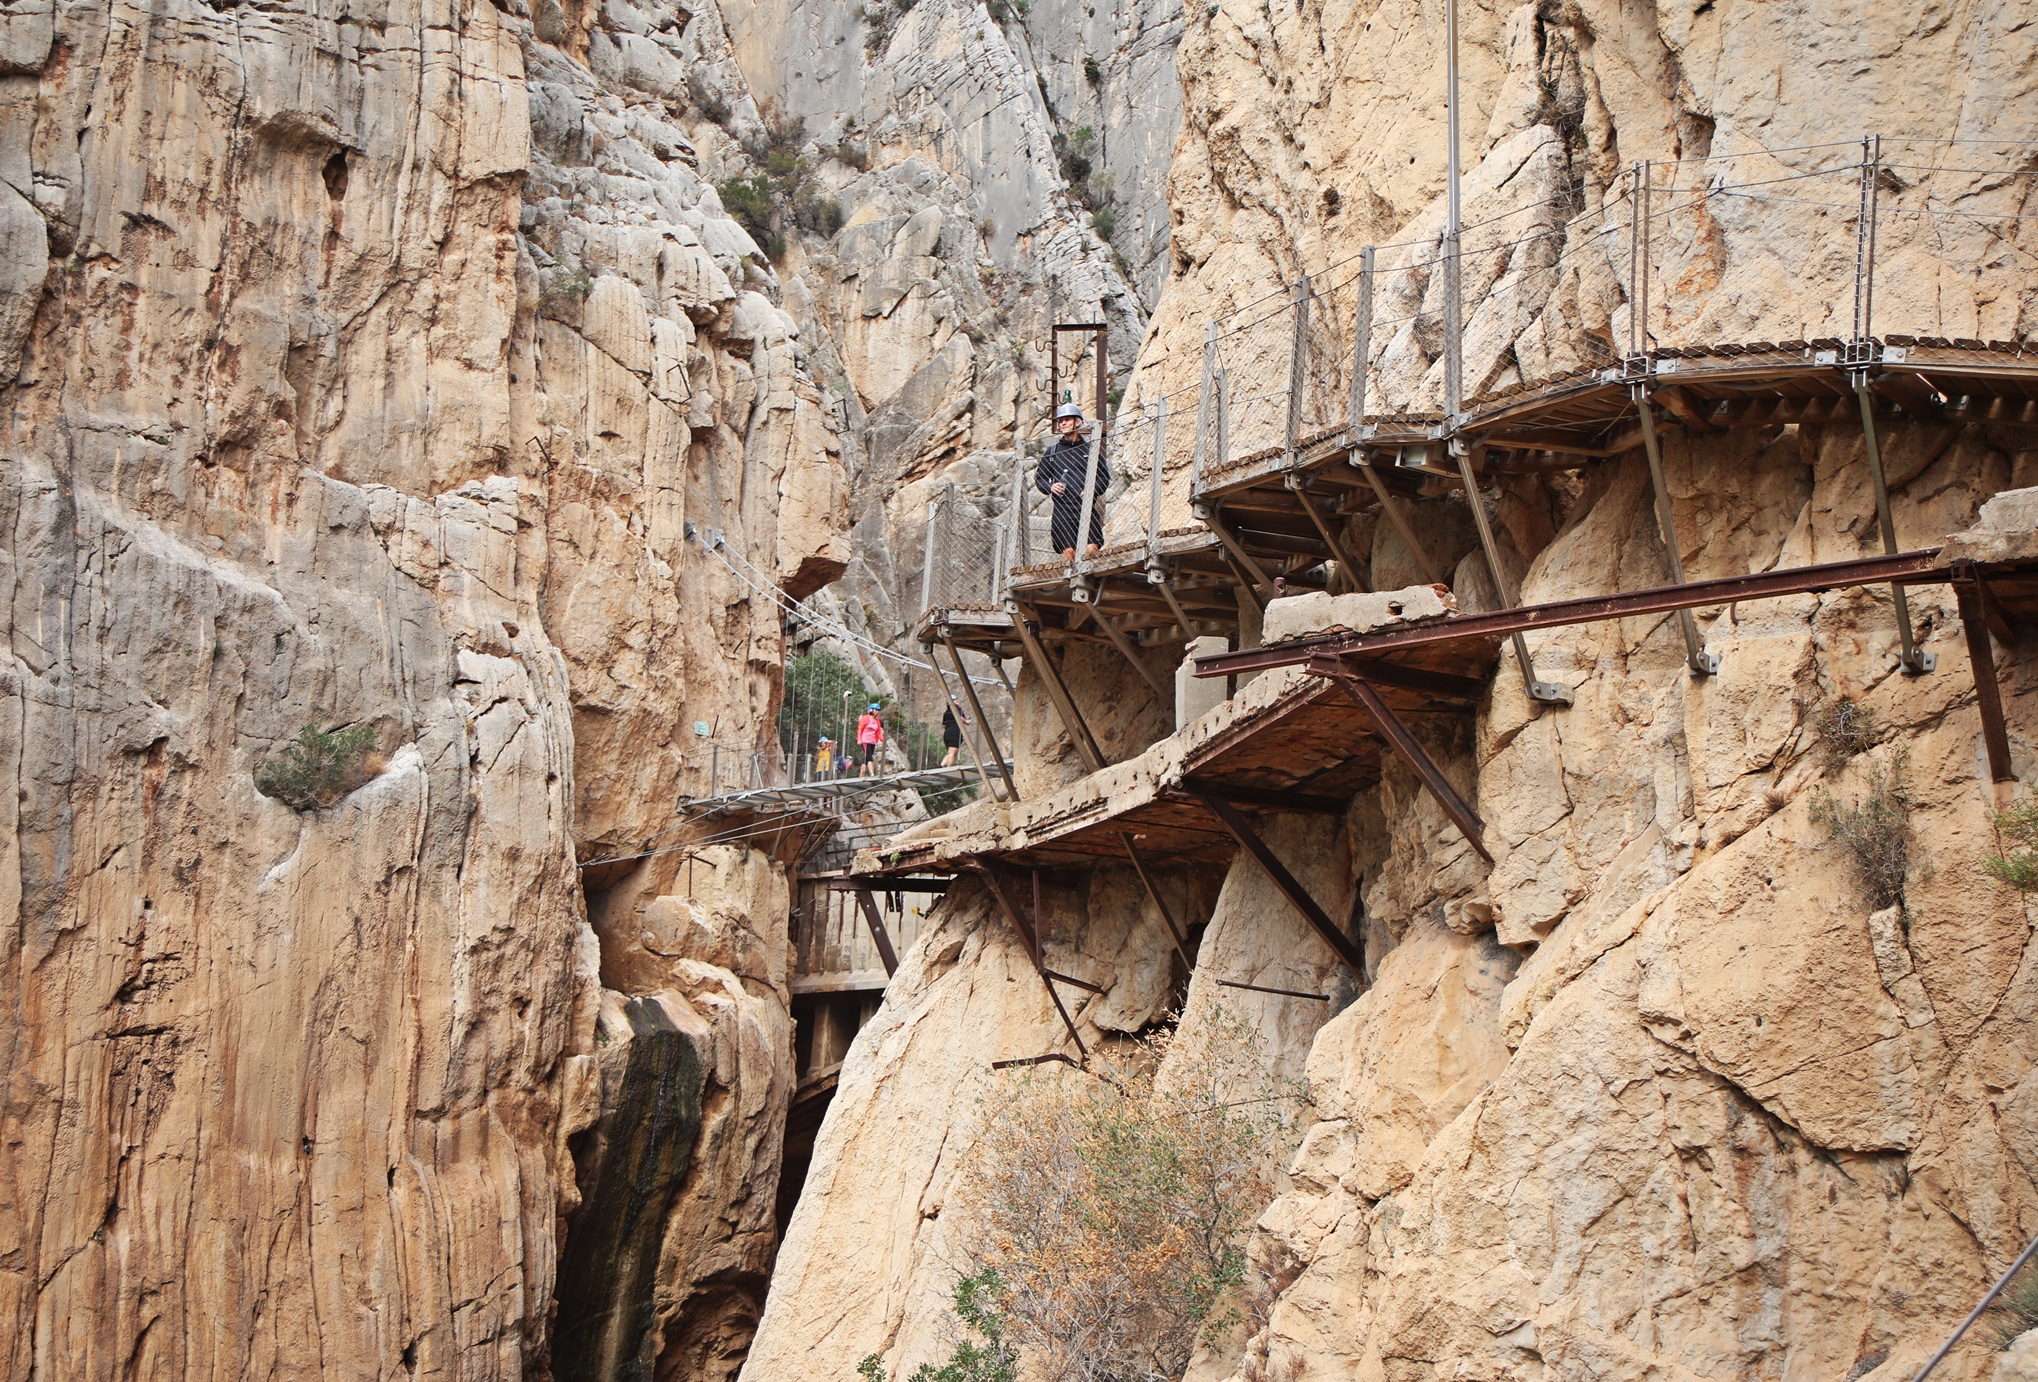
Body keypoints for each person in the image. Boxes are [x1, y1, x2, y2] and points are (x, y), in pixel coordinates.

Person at [1036, 400, 1108, 562]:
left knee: (1092, 548)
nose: (1063, 423)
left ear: (1078, 422)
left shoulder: (1090, 450)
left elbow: (1104, 477)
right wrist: (1051, 486)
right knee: (1069, 553)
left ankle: (1090, 584)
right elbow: (1040, 479)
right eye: (1061, 421)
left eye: (1067, 420)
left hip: (1086, 507)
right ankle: (1073, 584)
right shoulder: (1052, 452)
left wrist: (1092, 490)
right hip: (1062, 511)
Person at [856, 701, 886, 777]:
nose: (877, 712)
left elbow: (878, 731)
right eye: (876, 710)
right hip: (865, 740)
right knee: (869, 757)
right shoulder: (865, 718)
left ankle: (861, 774)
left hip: (872, 741)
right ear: (871, 710)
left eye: (878, 710)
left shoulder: (877, 720)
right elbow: (860, 729)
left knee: (866, 759)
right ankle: (872, 774)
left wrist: (882, 739)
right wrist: (859, 739)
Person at [940, 700, 967, 767]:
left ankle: (942, 765)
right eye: (955, 700)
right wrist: (966, 721)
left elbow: (944, 725)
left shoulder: (946, 713)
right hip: (955, 732)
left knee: (951, 752)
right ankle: (948, 770)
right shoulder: (957, 710)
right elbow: (961, 719)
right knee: (952, 753)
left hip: (947, 733)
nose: (957, 701)